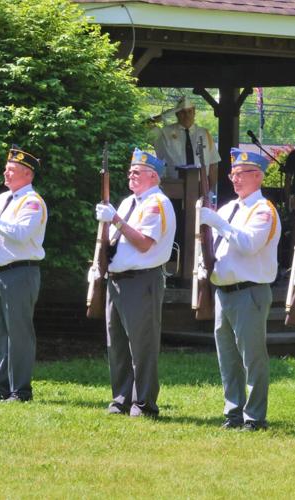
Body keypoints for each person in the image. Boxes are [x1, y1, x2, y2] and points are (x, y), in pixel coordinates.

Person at [199, 148, 281, 431]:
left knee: (252, 357)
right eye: (232, 174)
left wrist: (217, 222)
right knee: (228, 358)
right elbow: (214, 246)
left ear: (257, 176)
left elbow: (248, 245)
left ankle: (255, 416)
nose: (234, 179)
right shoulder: (228, 208)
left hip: (250, 292)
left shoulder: (263, 210)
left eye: (240, 174)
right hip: (224, 291)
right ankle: (233, 411)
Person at [93, 149, 175, 417]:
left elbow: (142, 243)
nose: (131, 175)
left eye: (136, 172)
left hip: (141, 280)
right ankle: (121, 399)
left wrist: (115, 219)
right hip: (117, 280)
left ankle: (145, 403)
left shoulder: (156, 203)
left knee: (142, 345)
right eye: (130, 171)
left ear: (153, 176)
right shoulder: (130, 202)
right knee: (115, 344)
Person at [0, 146, 47, 402]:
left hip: (21, 272)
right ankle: (2, 387)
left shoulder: (33, 202)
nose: (5, 173)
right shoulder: (0, 200)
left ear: (27, 175)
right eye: (6, 168)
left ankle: (21, 390)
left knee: (19, 333)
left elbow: (20, 234)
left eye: (11, 170)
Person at [152, 96, 220, 190]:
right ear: (176, 114)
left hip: (200, 186)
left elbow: (213, 163)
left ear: (194, 112)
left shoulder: (204, 133)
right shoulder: (165, 133)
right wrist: (163, 116)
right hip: (173, 185)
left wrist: (211, 189)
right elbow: (142, 127)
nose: (186, 115)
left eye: (189, 111)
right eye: (182, 112)